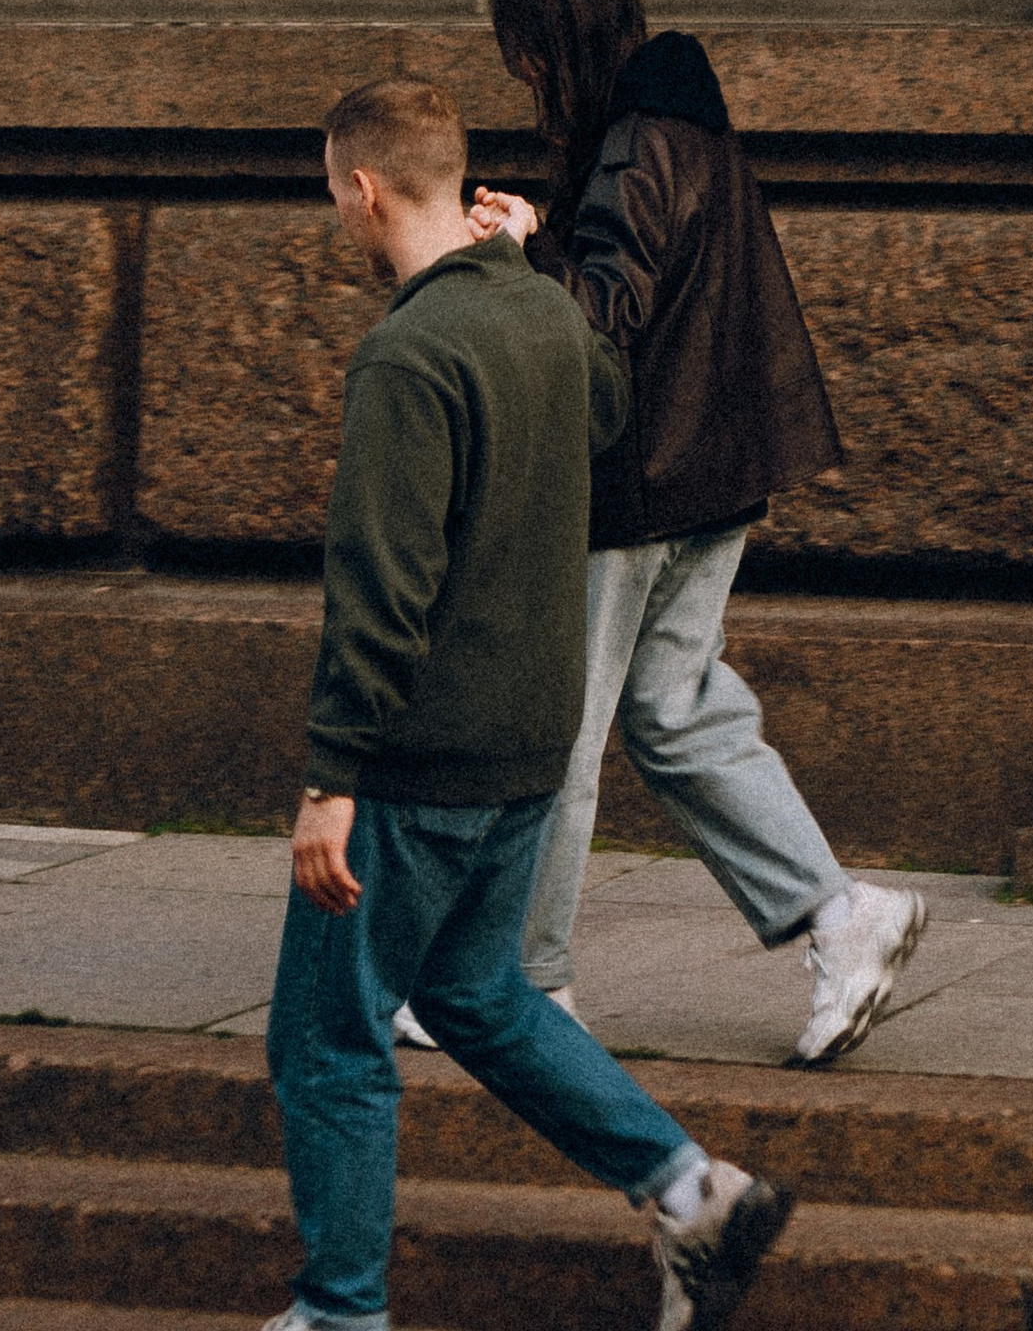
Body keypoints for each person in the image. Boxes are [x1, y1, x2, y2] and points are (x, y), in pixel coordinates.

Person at [269, 74, 793, 1331]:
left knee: (328, 1040)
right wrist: (528, 258)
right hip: (529, 746)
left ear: (363, 188)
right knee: (476, 996)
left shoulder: (407, 354)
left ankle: (341, 1314)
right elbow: (608, 412)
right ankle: (690, 1187)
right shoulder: (548, 323)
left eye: (336, 194)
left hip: (418, 756)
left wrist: (329, 779)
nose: (340, 212)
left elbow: (381, 588)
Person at [466, 0, 928, 1070]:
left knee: (556, 736)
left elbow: (605, 309)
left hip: (637, 485)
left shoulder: (635, 140)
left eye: (520, 53)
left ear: (551, 39)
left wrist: (523, 244)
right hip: (714, 472)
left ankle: (523, 987)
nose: (519, 76)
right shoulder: (684, 119)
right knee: (677, 711)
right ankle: (837, 915)